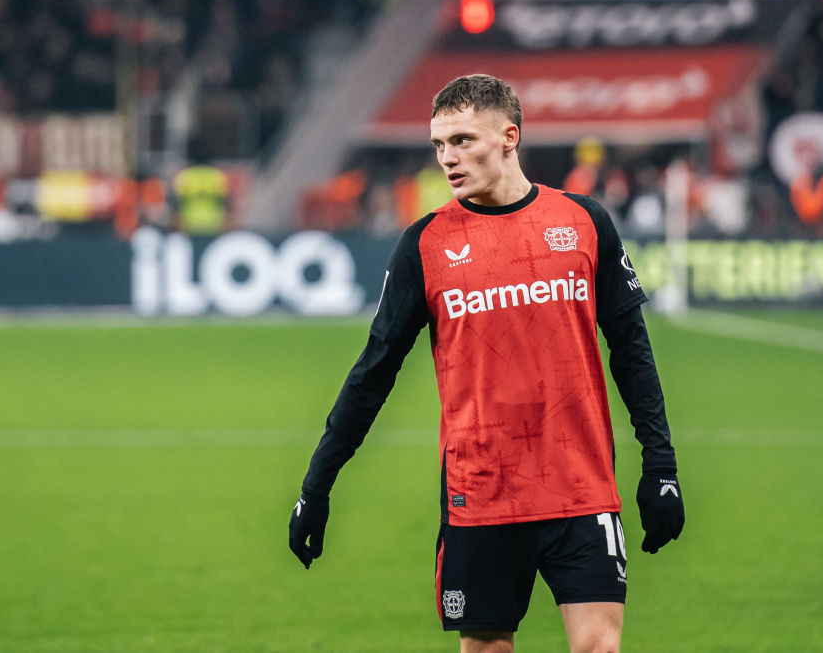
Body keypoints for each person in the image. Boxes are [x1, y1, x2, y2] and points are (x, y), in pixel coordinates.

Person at [289, 74, 684, 653]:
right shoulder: (425, 244)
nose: (447, 159)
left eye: (463, 141)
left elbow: (631, 348)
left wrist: (661, 465)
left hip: (581, 489)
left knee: (599, 647)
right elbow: (373, 372)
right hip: (480, 497)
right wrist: (317, 485)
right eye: (439, 145)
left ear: (509, 137)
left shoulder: (584, 222)